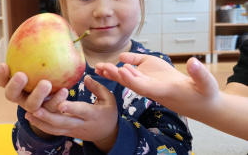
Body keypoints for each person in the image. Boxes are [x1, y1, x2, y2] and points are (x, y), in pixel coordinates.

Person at [0, 0, 193, 154]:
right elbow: (26, 149)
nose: (102, 11)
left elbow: (178, 148)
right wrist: (41, 125)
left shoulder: (156, 71)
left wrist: (111, 135)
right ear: (64, 3)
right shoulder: (47, 74)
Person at [95, 40, 248, 141]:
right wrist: (213, 104)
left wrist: (212, 104)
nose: (103, 11)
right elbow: (238, 96)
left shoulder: (158, 60)